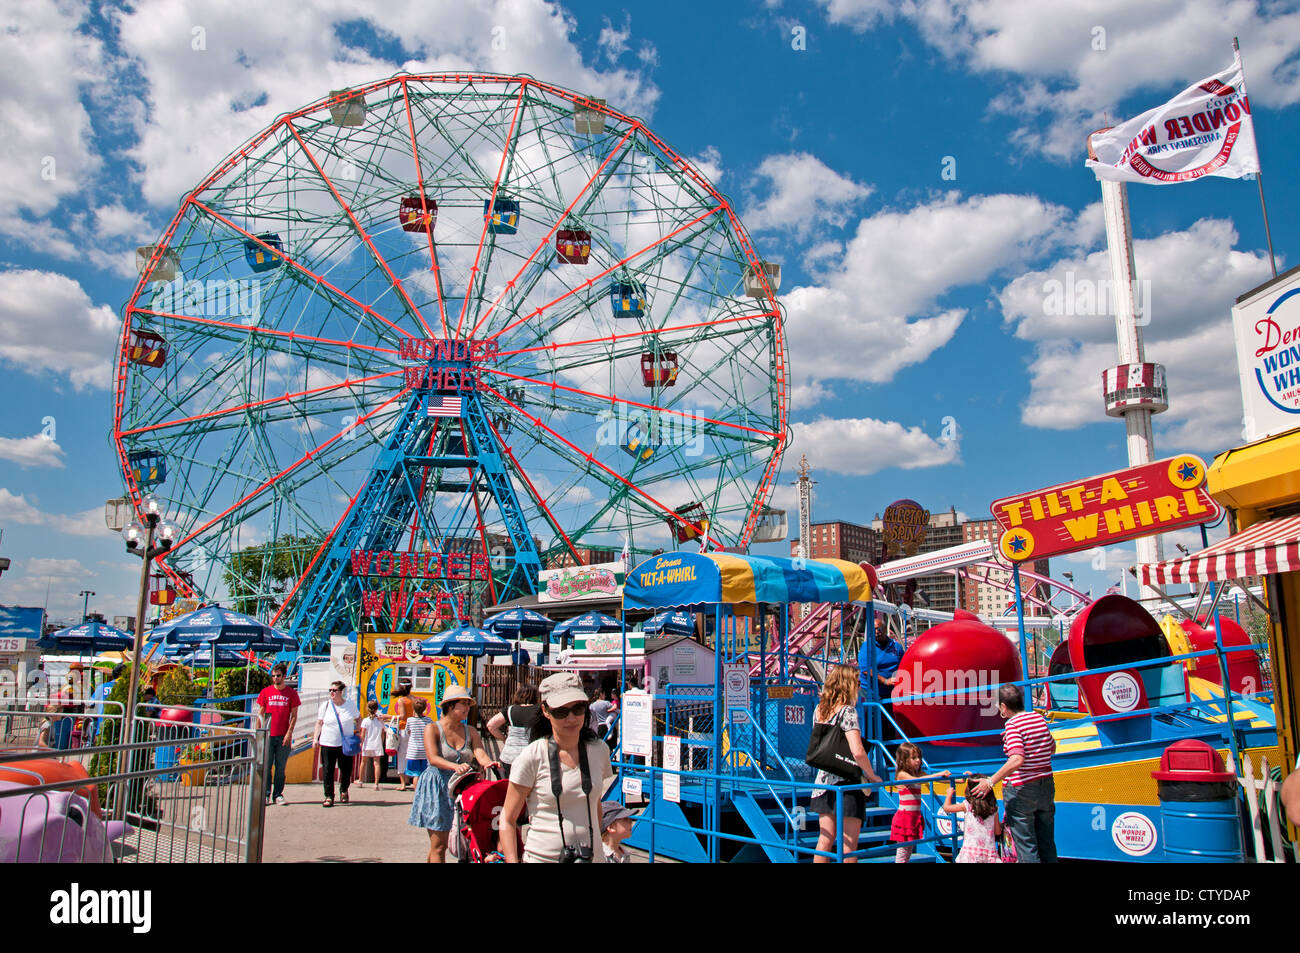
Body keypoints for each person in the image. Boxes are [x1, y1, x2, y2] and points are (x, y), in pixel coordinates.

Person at [500, 671, 613, 863]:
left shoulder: (599, 750)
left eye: (577, 709)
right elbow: (508, 820)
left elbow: (596, 805)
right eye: (561, 711)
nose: (571, 718)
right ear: (546, 711)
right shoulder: (532, 756)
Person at [408, 686, 497, 863]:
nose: (467, 708)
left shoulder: (470, 731)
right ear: (449, 706)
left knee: (457, 842)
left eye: (468, 704)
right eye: (463, 704)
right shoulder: (432, 728)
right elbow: (432, 758)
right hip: (438, 786)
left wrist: (489, 762)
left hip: (462, 789)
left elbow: (479, 752)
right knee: (439, 845)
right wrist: (454, 766)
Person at [973, 684, 1057, 863]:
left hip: (1022, 789)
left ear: (1004, 707)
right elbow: (1052, 748)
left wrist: (990, 781)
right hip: (1046, 784)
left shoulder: (1012, 725)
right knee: (1047, 842)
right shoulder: (1038, 718)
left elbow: (1017, 759)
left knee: (1026, 845)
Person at [808, 664, 882, 863]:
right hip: (847, 783)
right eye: (857, 683)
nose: (859, 687)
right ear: (848, 684)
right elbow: (857, 751)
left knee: (825, 839)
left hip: (823, 782)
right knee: (849, 844)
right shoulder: (848, 712)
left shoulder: (819, 709)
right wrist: (872, 776)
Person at [890, 741, 949, 863]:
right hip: (905, 818)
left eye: (919, 757)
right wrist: (940, 773)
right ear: (904, 760)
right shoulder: (902, 774)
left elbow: (938, 779)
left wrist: (962, 779)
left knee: (908, 851)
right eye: (913, 758)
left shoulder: (918, 773)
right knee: (902, 853)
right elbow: (917, 780)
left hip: (913, 817)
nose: (918, 760)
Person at [256, 662, 301, 805]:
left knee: (280, 768)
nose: (275, 678)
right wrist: (259, 732)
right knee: (266, 767)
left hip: (283, 736)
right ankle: (266, 794)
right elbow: (260, 713)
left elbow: (294, 715)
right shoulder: (266, 692)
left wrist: (289, 733)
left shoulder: (291, 693)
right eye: (273, 676)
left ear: (284, 676)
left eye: (278, 676)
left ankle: (278, 794)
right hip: (268, 735)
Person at [313, 681, 361, 808]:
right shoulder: (326, 705)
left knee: (346, 770)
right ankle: (329, 796)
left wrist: (357, 731)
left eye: (334, 690)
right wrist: (315, 739)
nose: (331, 693)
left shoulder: (350, 705)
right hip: (327, 742)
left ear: (341, 692)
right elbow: (319, 722)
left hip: (345, 744)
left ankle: (344, 789)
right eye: (330, 690)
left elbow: (358, 718)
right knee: (328, 770)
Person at [942, 775, 1003, 863]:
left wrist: (949, 794)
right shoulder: (994, 809)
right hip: (988, 852)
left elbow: (947, 808)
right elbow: (997, 832)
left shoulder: (967, 806)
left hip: (970, 852)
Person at [487, 684, 540, 772]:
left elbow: (491, 725)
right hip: (532, 756)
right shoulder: (539, 711)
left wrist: (504, 739)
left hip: (510, 757)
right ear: (535, 696)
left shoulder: (510, 710)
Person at [390, 682, 416, 790]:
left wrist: (388, 717)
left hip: (403, 728)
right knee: (411, 754)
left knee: (401, 755)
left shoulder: (401, 700)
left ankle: (403, 783)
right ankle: (408, 779)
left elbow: (403, 716)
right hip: (412, 729)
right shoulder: (414, 699)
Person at [359, 699, 387, 789]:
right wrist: (381, 742)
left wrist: (361, 743)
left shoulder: (365, 721)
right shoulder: (380, 721)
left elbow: (363, 734)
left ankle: (360, 781)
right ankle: (376, 783)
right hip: (377, 744)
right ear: (376, 709)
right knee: (377, 763)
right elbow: (383, 733)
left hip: (367, 744)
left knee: (363, 762)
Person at [403, 698, 433, 782]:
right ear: (424, 708)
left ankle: (416, 793)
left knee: (415, 774)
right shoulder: (428, 720)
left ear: (413, 708)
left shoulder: (410, 720)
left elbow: (407, 732)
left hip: (413, 752)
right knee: (424, 774)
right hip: (425, 751)